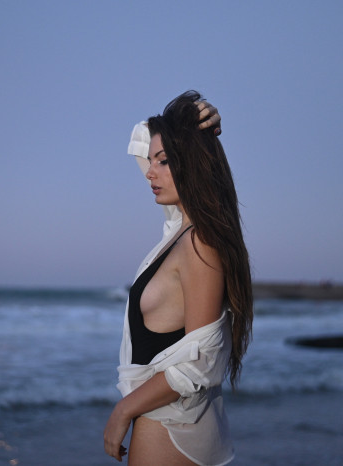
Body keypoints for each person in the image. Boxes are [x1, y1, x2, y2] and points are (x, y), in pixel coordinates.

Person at [104, 91, 253, 465]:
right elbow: (141, 137)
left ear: (192, 162)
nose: (149, 172)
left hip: (171, 432)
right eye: (152, 161)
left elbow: (201, 362)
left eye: (164, 161)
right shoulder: (179, 229)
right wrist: (194, 120)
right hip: (174, 427)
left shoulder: (200, 242)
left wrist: (123, 410)